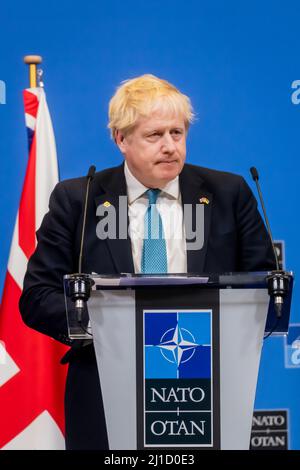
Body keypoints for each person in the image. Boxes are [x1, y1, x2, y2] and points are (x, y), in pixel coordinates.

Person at [19, 74, 275, 449]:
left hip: (203, 383)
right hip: (105, 384)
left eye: (177, 133)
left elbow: (263, 286)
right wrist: (113, 328)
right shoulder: (80, 199)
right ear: (121, 139)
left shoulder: (227, 193)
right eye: (155, 136)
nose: (170, 147)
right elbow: (38, 297)